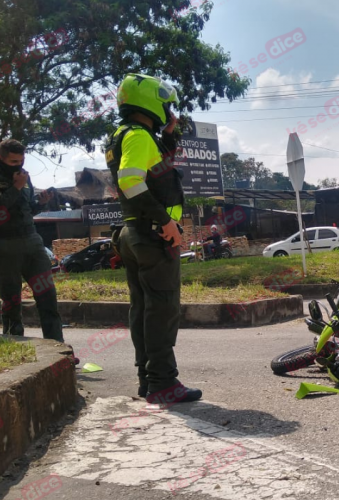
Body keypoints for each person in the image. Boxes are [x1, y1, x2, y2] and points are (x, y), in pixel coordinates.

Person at [105, 73, 201, 404]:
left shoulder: (125, 135)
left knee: (144, 308)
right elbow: (132, 182)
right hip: (152, 235)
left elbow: (154, 172)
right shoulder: (138, 137)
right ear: (149, 101)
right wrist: (166, 223)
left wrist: (169, 137)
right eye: (165, 103)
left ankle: (148, 380)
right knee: (162, 310)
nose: (168, 109)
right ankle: (162, 382)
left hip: (133, 233)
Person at [0, 139, 66, 340]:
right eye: (14, 161)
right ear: (0, 158)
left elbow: (27, 209)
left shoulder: (23, 177)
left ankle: (59, 349)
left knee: (47, 296)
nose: (19, 165)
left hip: (32, 240)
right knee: (11, 301)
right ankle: (15, 345)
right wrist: (16, 187)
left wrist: (40, 204)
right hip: (4, 243)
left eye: (22, 160)